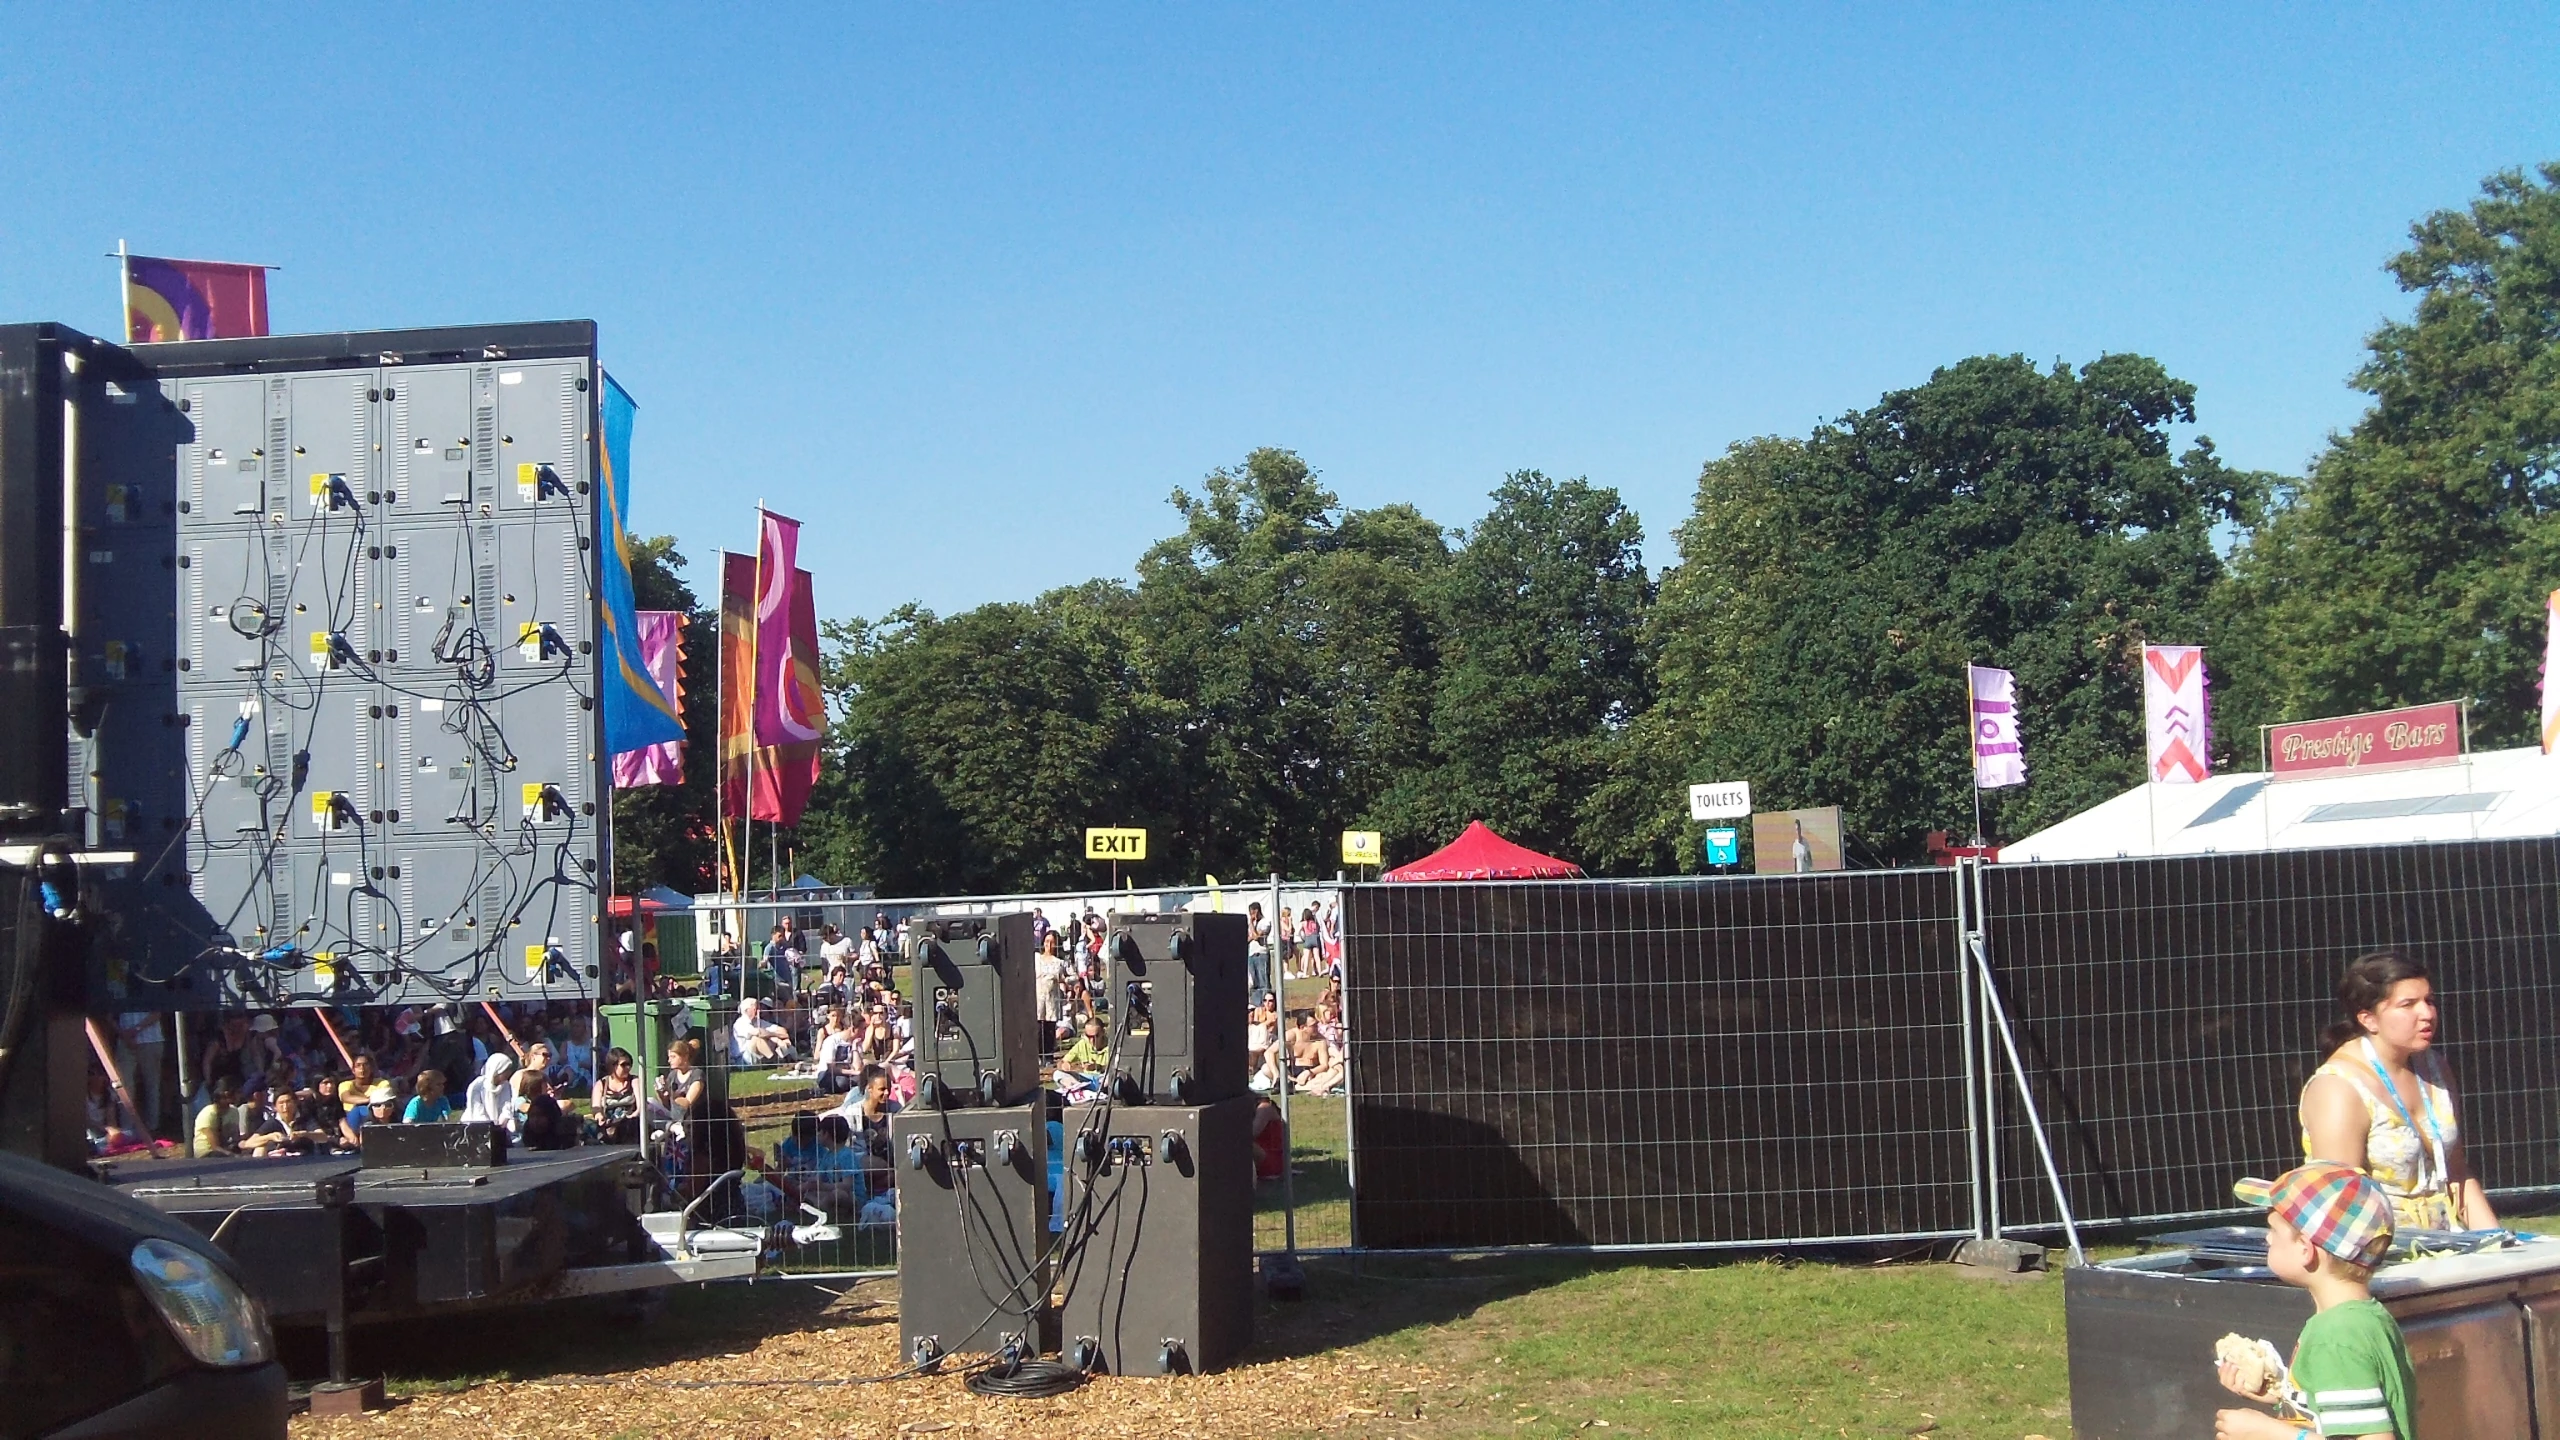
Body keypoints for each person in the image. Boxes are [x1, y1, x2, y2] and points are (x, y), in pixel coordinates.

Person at [2214, 1161, 2415, 1439]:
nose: (2268, 1240)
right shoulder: (2365, 1318)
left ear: (2305, 1249)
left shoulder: (2334, 1338)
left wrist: (2270, 1433)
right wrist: (2282, 1398)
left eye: (2273, 1230)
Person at [2300, 950, 2495, 1232]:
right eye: (2408, 1004)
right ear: (2368, 1019)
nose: (2426, 1014)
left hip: (2446, 1249)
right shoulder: (2339, 1087)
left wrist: (2496, 1242)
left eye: (2429, 1001)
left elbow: (2456, 1173)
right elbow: (2340, 1201)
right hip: (2378, 1255)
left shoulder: (2435, 1068)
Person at [513, 1068, 575, 1150]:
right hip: (523, 1139)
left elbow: (570, 1105)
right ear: (534, 1086)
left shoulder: (546, 1101)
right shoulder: (520, 1100)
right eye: (545, 1085)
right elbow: (530, 1109)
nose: (549, 1087)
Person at [1285, 1013, 1345, 1096]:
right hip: (1292, 1071)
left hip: (1312, 1073)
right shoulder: (1292, 1035)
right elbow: (1270, 1052)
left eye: (1317, 1024)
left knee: (1333, 1072)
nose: (1317, 1028)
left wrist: (1309, 1072)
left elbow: (1324, 1065)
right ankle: (1294, 1084)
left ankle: (1298, 1087)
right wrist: (1281, 1074)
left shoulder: (1320, 1041)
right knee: (1266, 1068)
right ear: (1303, 1027)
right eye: (1314, 1026)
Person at [592, 1047, 642, 1143]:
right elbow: (596, 1107)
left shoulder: (634, 1081)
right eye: (624, 1065)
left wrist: (632, 1116)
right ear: (613, 1066)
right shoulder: (601, 1084)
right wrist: (599, 1116)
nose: (628, 1068)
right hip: (608, 1124)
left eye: (629, 1064)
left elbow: (640, 1108)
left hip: (629, 1123)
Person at [732, 996, 796, 1065]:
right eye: (755, 1008)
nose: (759, 1010)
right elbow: (758, 1033)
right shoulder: (741, 1023)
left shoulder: (759, 1021)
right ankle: (774, 1060)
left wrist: (775, 1037)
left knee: (779, 1039)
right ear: (747, 1010)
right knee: (756, 1039)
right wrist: (775, 1037)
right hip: (744, 1058)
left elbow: (783, 1032)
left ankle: (790, 1059)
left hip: (758, 1055)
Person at [465, 1053, 519, 1133]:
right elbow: (477, 1110)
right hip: (477, 1127)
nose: (508, 1073)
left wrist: (501, 1124)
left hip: (500, 1127)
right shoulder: (478, 1085)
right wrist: (490, 1128)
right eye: (505, 1070)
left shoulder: (506, 1086)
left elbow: (506, 1107)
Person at [813, 1007, 860, 1095]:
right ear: (853, 1029)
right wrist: (854, 1072)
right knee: (842, 1082)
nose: (863, 1032)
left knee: (867, 1076)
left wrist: (855, 1048)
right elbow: (830, 1068)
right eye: (861, 1029)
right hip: (828, 1073)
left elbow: (857, 1067)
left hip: (847, 1073)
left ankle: (853, 1085)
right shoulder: (831, 1040)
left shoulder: (855, 1040)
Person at [193, 1077, 244, 1157]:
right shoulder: (208, 1113)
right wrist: (233, 1155)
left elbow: (235, 1138)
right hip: (207, 1153)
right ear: (227, 1094)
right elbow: (214, 1146)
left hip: (226, 1149)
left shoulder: (234, 1111)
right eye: (237, 1092)